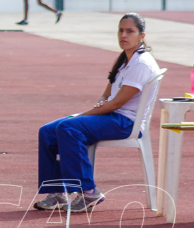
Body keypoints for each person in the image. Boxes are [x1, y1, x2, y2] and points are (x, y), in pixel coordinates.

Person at [33, 12, 160, 213]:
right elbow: (107, 95)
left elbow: (116, 104)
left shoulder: (141, 64)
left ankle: (89, 191)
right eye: (121, 30)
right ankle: (58, 192)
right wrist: (95, 109)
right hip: (111, 115)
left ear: (142, 36)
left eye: (130, 31)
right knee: (47, 131)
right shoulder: (125, 59)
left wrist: (84, 115)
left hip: (125, 122)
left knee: (68, 127)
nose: (123, 35)